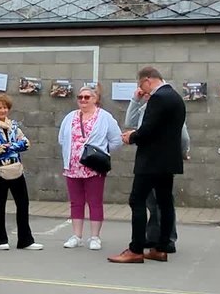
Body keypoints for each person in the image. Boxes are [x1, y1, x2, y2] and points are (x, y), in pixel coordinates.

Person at [109, 67, 187, 264]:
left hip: (151, 161)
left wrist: (131, 137)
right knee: (165, 202)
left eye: (141, 85)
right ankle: (161, 248)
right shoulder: (176, 97)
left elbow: (148, 129)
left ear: (147, 80)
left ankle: (135, 249)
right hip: (168, 161)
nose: (142, 89)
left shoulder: (159, 98)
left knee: (137, 201)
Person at [57, 86, 123, 251]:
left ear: (95, 99)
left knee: (95, 202)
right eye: (80, 97)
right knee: (76, 202)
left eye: (87, 97)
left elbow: (117, 140)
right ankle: (76, 236)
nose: (83, 100)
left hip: (93, 167)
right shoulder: (70, 117)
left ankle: (95, 237)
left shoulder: (105, 117)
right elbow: (61, 139)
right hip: (72, 167)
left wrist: (101, 151)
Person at [126, 88, 191, 252]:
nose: (148, 96)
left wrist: (183, 151)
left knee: (157, 202)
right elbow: (130, 122)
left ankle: (167, 239)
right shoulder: (145, 109)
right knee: (154, 202)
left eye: (148, 93)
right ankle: (155, 238)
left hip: (156, 161)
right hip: (149, 160)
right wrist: (135, 100)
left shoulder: (164, 108)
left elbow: (182, 135)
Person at [0, 94, 42, 251]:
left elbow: (27, 143)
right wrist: (16, 145)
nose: (3, 110)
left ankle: (25, 240)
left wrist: (10, 145)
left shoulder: (14, 125)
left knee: (23, 204)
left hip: (16, 169)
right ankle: (1, 239)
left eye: (5, 107)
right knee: (0, 204)